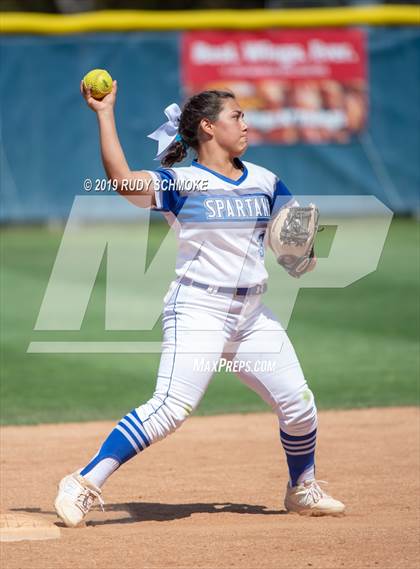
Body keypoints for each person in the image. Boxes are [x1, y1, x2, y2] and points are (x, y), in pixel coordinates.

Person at [54, 80, 345, 527]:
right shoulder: (182, 181)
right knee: (171, 406)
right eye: (237, 116)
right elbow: (123, 183)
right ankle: (83, 482)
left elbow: (293, 248)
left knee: (299, 404)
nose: (246, 123)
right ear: (208, 127)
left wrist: (302, 255)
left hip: (250, 317)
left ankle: (301, 487)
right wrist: (104, 113)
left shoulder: (266, 181)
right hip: (198, 310)